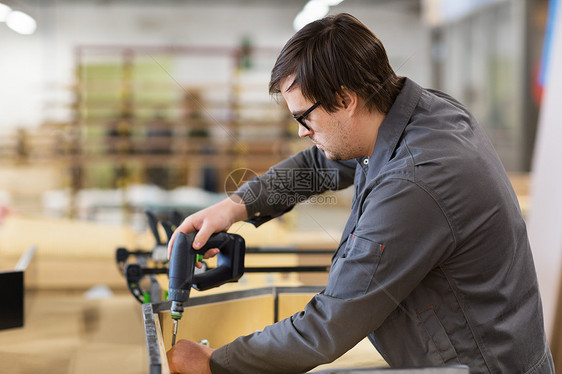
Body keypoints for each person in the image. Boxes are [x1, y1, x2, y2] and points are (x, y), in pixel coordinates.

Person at [166, 13, 555, 374]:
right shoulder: (412, 115)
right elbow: (318, 167)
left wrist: (216, 362)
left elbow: (330, 324)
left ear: (346, 100)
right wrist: (236, 206)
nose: (302, 130)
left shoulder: (415, 182)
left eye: (304, 117)